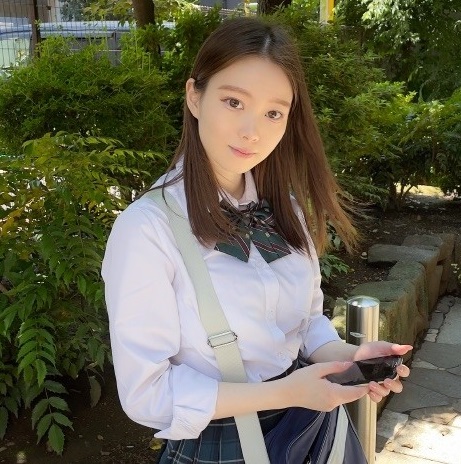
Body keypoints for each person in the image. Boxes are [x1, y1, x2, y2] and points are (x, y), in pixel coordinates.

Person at [102, 16, 412, 463]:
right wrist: (287, 392)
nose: (253, 131)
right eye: (233, 102)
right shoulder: (148, 229)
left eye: (273, 113)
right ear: (194, 96)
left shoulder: (285, 209)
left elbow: (306, 326)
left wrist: (353, 358)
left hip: (310, 430)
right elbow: (146, 393)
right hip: (221, 444)